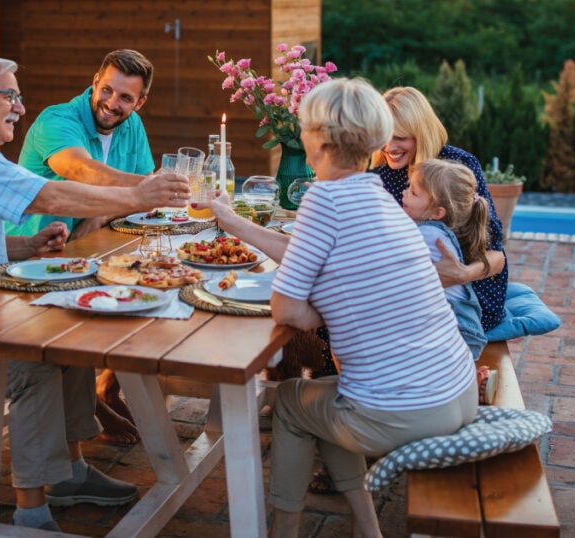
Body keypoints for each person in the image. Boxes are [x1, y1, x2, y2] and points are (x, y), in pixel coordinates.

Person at [0, 57, 190, 532]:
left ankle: (70, 472)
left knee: (70, 342)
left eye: (18, 97)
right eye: (10, 96)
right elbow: (52, 195)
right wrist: (141, 195)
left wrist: (26, 245)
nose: (20, 108)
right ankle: (30, 514)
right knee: (32, 364)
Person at [197, 78, 478, 538]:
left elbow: (285, 311)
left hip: (404, 411)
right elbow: (307, 252)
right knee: (332, 392)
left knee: (290, 402)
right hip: (455, 390)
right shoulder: (379, 198)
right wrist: (234, 223)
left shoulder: (323, 199)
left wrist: (324, 311)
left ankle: (282, 530)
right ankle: (368, 528)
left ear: (317, 139)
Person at [7, 49, 158, 445]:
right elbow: (82, 173)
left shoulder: (132, 125)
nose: (112, 103)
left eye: (126, 98)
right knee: (94, 314)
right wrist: (145, 191)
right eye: (106, 90)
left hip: (84, 246)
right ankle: (87, 406)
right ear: (94, 82)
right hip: (34, 257)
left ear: (139, 102)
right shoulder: (56, 120)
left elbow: (131, 198)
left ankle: (106, 387)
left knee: (149, 290)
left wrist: (94, 224)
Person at [370, 86, 508, 332]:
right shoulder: (378, 174)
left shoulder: (458, 166)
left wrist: (460, 274)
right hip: (410, 287)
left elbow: (497, 257)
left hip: (466, 298)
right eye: (384, 135)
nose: (389, 147)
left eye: (400, 137)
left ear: (420, 132)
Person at [401, 158, 489, 360]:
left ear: (437, 212)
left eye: (414, 193)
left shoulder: (430, 236)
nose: (404, 193)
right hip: (455, 328)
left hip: (457, 332)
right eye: (408, 187)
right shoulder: (432, 229)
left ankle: (472, 380)